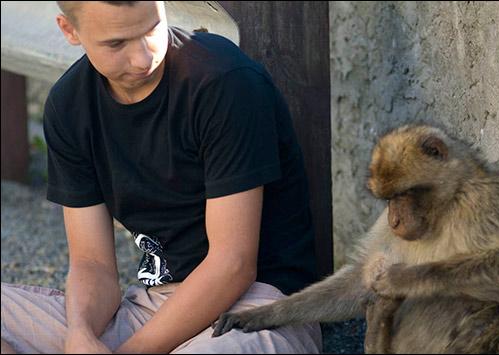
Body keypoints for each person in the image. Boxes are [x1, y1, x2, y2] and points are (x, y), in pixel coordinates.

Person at [0, 1, 322, 354]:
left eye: (151, 29)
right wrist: (80, 334)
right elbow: (92, 264)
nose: (143, 58)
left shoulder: (222, 81)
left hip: (255, 310)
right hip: (151, 310)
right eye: (117, 44)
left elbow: (233, 265)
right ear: (70, 31)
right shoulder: (69, 106)